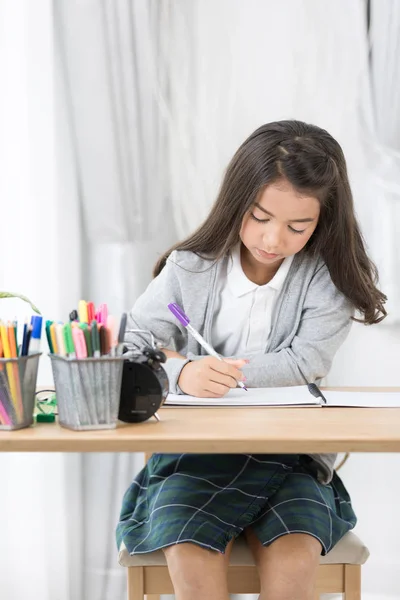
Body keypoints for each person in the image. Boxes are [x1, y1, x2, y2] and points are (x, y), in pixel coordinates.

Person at [116, 120, 386, 600]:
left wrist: (220, 377)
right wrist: (184, 371)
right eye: (260, 217)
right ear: (237, 201)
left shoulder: (327, 279)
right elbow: (133, 343)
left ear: (322, 222)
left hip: (292, 457)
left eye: (296, 227)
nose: (273, 239)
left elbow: (304, 363)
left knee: (294, 556)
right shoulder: (190, 267)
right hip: (194, 457)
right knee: (190, 551)